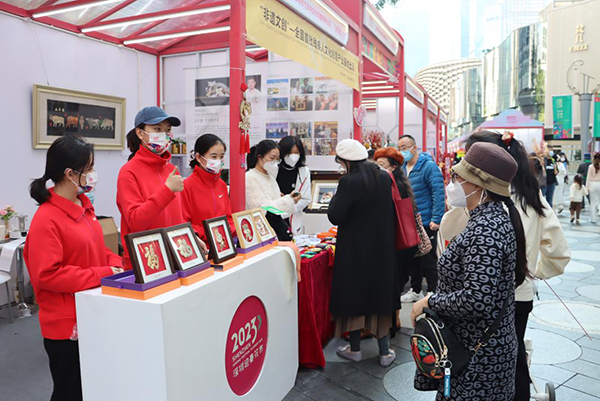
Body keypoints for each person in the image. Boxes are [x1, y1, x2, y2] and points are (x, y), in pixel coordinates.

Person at [454, 131, 570, 401]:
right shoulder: (532, 196)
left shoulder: (478, 203)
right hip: (520, 295)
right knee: (513, 354)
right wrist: (532, 273)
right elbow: (559, 251)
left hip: (475, 298)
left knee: (477, 359)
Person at [412, 142, 529, 400]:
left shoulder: (486, 229)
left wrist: (430, 300)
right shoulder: (488, 218)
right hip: (477, 349)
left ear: (477, 184)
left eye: (457, 177)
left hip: (479, 358)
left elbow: (477, 300)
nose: (451, 183)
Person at [25, 135, 124, 401]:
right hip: (66, 326)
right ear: (70, 174)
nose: (93, 175)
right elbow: (47, 275)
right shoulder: (46, 219)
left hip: (93, 312)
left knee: (95, 386)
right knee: (70, 391)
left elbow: (100, 249)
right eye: (89, 169)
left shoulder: (84, 208)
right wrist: (102, 274)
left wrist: (117, 265)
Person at [328, 139, 397, 367]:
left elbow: (336, 216)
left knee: (354, 297)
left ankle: (355, 349)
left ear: (346, 161)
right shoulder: (384, 177)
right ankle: (385, 352)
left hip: (354, 252)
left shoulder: (349, 181)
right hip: (382, 249)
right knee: (379, 297)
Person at [117, 106, 200, 269]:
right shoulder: (128, 172)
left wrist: (192, 237)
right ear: (140, 133)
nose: (164, 135)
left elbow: (178, 217)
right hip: (147, 261)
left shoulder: (170, 169)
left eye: (167, 130)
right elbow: (135, 221)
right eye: (157, 129)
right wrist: (167, 191)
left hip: (176, 256)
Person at [373, 147, 419, 332]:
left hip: (396, 243)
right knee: (394, 284)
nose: (379, 169)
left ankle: (391, 323)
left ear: (393, 167)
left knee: (392, 284)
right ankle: (393, 321)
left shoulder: (394, 187)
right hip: (400, 243)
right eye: (376, 165)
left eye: (382, 165)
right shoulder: (400, 185)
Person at [397, 135, 445, 302]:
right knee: (412, 257)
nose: (401, 151)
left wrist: (436, 218)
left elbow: (438, 192)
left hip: (426, 220)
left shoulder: (429, 166)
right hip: (408, 222)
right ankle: (415, 289)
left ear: (414, 147)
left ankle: (433, 290)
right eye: (399, 147)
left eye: (404, 147)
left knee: (429, 257)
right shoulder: (401, 167)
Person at [181, 134, 235, 243]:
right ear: (199, 158)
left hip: (224, 246)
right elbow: (183, 224)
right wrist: (210, 232)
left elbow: (229, 218)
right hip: (201, 248)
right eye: (214, 157)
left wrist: (229, 229)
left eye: (221, 156)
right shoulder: (186, 186)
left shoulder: (221, 185)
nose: (218, 161)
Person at [246, 140, 302, 241]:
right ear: (260, 157)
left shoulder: (270, 177)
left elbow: (277, 210)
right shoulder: (250, 177)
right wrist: (289, 200)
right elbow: (263, 208)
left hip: (274, 231)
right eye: (272, 158)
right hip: (260, 233)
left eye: (277, 159)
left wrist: (290, 200)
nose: (275, 162)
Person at [276, 136, 311, 236]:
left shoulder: (304, 172)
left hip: (294, 218)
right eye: (289, 152)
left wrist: (289, 207)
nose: (292, 156)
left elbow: (306, 199)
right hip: (274, 217)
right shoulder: (273, 169)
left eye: (296, 152)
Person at [587, 153, 600, 224]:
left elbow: (588, 178)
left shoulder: (591, 166)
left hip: (593, 184)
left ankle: (593, 218)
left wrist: (587, 187)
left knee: (593, 202)